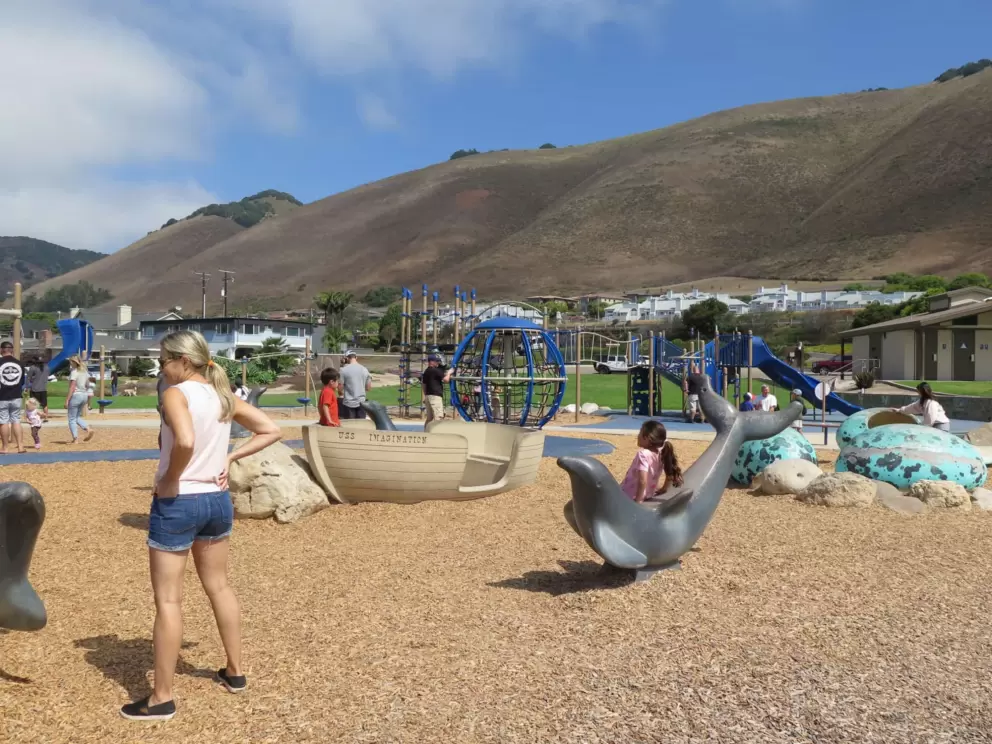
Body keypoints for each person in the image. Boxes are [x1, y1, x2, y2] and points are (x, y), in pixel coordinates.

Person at [120, 330, 281, 722]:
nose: (161, 367)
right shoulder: (222, 395)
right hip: (216, 500)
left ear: (183, 361)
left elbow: (186, 441)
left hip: (180, 501)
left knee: (169, 600)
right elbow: (272, 429)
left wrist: (170, 478)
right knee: (219, 586)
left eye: (162, 360)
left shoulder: (175, 395)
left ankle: (161, 697)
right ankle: (235, 672)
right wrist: (229, 458)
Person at [620, 421, 684, 503]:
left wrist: (638, 502)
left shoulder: (643, 454)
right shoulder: (661, 453)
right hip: (648, 494)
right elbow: (669, 472)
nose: (638, 436)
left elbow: (642, 480)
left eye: (640, 433)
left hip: (630, 495)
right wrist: (664, 489)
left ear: (646, 438)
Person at [0, 340, 26, 454]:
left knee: (3, 421)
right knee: (16, 420)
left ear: (1, 350)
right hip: (16, 395)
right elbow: (22, 381)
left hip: (2, 396)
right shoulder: (20, 364)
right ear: (12, 350)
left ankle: (5, 447)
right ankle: (20, 446)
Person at [65, 356, 94, 444]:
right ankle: (88, 428)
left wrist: (67, 400)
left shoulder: (74, 372)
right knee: (76, 417)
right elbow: (89, 384)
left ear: (74, 363)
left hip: (76, 395)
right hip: (84, 395)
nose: (70, 364)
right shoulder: (85, 372)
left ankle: (75, 438)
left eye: (71, 362)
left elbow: (72, 387)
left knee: (71, 419)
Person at [339, 350, 372, 420]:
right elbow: (368, 388)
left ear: (347, 358)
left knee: (350, 427)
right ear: (356, 357)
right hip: (362, 403)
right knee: (361, 427)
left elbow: (340, 388)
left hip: (348, 403)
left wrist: (341, 394)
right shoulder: (365, 369)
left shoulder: (343, 370)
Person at [421, 354, 451, 425]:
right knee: (439, 417)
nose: (438, 363)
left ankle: (426, 433)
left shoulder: (426, 371)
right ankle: (437, 434)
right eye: (436, 361)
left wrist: (426, 395)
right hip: (435, 396)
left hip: (428, 396)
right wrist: (449, 373)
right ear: (431, 362)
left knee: (429, 419)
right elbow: (446, 380)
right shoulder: (435, 370)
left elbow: (423, 384)